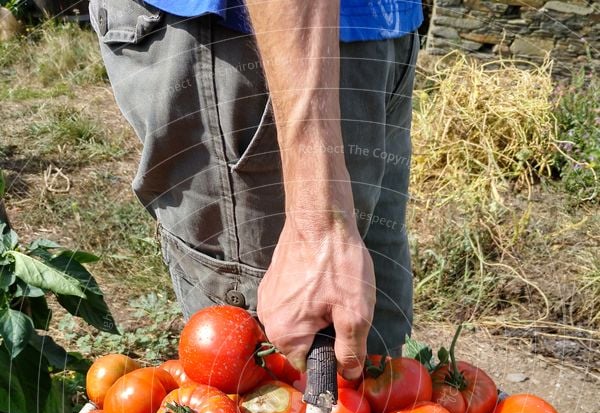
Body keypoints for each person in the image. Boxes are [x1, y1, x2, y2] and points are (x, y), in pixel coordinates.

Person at [89, 0, 422, 379]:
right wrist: (317, 217)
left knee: (371, 350)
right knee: (269, 378)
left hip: (380, 32)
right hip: (259, 38)